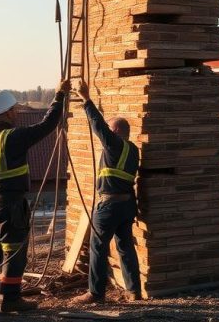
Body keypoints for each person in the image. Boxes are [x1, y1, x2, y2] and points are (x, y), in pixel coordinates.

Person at [0, 79, 70, 316]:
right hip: (11, 204)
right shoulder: (12, 137)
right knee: (14, 251)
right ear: (7, 113)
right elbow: (46, 126)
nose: (17, 112)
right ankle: (10, 299)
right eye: (14, 109)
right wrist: (59, 97)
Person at [71, 81, 142, 305]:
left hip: (109, 206)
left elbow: (98, 126)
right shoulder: (133, 150)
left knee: (98, 249)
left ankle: (95, 293)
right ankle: (134, 291)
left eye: (110, 131)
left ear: (116, 132)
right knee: (125, 248)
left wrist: (86, 98)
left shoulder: (114, 145)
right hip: (127, 205)